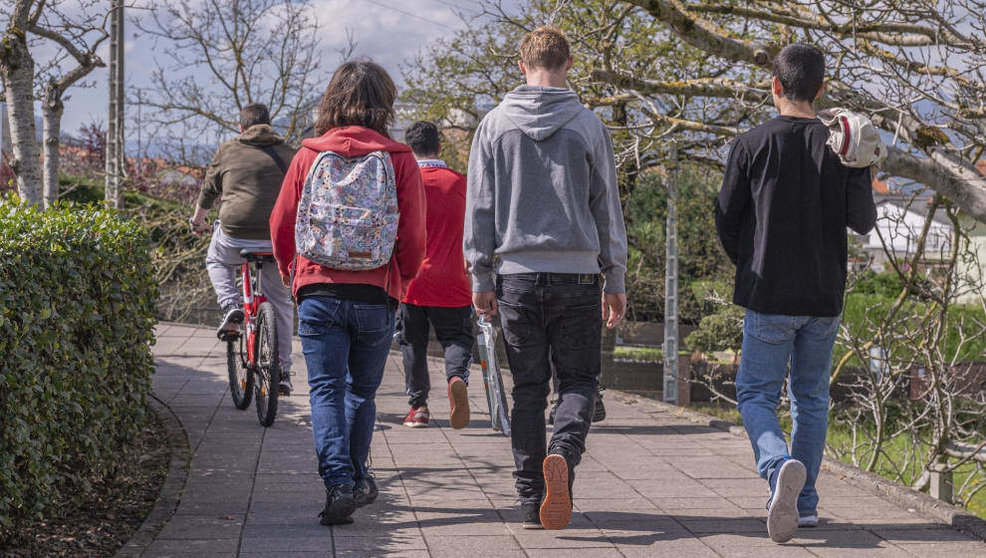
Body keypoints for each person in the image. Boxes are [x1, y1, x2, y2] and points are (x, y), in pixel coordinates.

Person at [464, 26, 628, 531]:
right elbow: (606, 208)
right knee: (579, 380)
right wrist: (615, 276)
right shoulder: (588, 126)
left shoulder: (493, 126)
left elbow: (480, 208)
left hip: (514, 276)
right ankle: (563, 451)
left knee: (529, 389)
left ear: (521, 64)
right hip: (578, 275)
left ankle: (529, 496)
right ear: (569, 64)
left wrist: (480, 273)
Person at [715, 44, 877, 543]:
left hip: (768, 291)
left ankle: (777, 464)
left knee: (754, 392)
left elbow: (726, 217)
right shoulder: (843, 146)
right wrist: (863, 174)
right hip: (824, 294)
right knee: (811, 399)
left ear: (775, 86)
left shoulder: (750, 143)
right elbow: (863, 222)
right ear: (822, 89)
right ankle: (803, 504)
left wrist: (748, 260)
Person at [269, 60, 426, 526]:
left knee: (324, 389)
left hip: (318, 289)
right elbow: (414, 238)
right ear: (385, 103)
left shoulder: (308, 155)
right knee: (362, 391)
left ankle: (339, 480)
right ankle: (356, 476)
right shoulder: (399, 159)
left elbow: (280, 223)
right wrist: (400, 278)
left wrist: (291, 271)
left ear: (332, 100)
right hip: (376, 291)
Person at [190, 103, 297, 395]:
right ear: (270, 126)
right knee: (281, 303)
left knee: (216, 260)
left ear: (241, 127)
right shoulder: (291, 153)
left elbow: (209, 190)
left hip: (236, 234)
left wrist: (197, 222)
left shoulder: (227, 150)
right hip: (277, 239)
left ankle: (231, 305)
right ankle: (283, 371)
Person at [395, 121, 475, 430]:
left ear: (409, 150)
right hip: (453, 279)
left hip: (411, 280)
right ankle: (456, 377)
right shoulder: (461, 184)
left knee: (412, 343)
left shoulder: (404, 185)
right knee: (456, 338)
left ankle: (418, 408)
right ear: (439, 147)